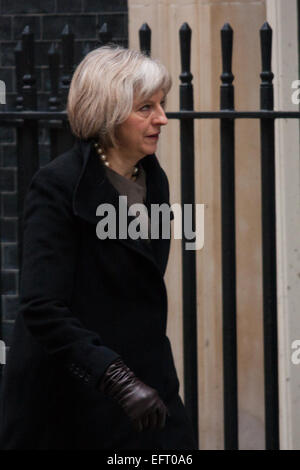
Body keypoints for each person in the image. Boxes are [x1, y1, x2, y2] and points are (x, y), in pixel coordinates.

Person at [0, 45, 197, 450]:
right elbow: (41, 307)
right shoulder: (57, 185)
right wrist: (116, 379)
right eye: (146, 107)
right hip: (71, 399)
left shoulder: (153, 180)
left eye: (161, 105)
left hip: (146, 390)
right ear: (108, 115)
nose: (162, 118)